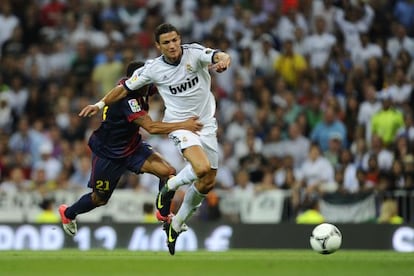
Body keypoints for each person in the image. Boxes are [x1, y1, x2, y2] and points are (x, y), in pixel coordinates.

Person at [78, 23, 231, 255]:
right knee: (201, 168)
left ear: (180, 39)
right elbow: (123, 88)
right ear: (158, 46)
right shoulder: (153, 69)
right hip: (180, 124)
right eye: (167, 42)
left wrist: (223, 60)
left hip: (206, 124)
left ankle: (176, 225)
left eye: (175, 40)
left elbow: (219, 54)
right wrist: (99, 104)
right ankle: (169, 187)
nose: (173, 46)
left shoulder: (195, 53)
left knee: (207, 182)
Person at [59, 60, 203, 237]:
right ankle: (68, 214)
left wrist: (195, 69)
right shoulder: (128, 100)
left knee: (168, 172)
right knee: (99, 199)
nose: (149, 83)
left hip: (132, 146)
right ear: (135, 79)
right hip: (109, 153)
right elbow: (151, 128)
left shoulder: (139, 85)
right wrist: (185, 125)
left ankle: (164, 215)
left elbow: (165, 80)